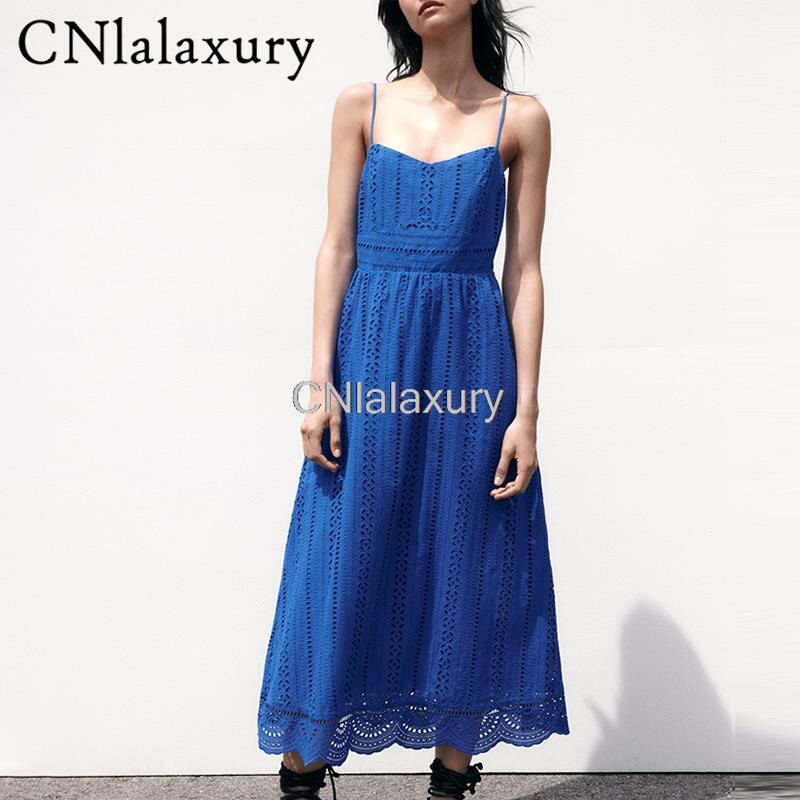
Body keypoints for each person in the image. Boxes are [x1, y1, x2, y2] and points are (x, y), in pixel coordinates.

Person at [257, 1, 569, 797]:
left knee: (470, 548)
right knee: (342, 553)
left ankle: (451, 778)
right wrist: (319, 387)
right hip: (370, 360)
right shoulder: (359, 105)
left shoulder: (522, 119)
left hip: (471, 363)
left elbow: (524, 270)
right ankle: (303, 769)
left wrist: (527, 413)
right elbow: (336, 246)